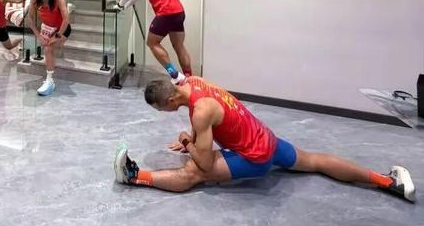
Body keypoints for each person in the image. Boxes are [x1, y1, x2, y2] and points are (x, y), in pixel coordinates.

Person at [113, 76, 416, 203]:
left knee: (194, 172)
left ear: (169, 102)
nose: (164, 113)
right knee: (315, 160)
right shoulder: (194, 83)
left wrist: (189, 143)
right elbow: (206, 120)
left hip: (254, 158)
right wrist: (193, 138)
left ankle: (135, 176)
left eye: (160, 110)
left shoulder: (201, 113)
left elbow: (204, 161)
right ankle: (388, 181)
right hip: (266, 138)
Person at [115, 0, 191, 84]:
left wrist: (120, 4)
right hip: (178, 12)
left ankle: (174, 75)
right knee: (179, 46)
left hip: (166, 12)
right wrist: (124, 6)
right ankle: (189, 78)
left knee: (152, 42)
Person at [26, 0, 71, 96]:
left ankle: (50, 81)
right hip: (47, 28)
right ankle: (50, 74)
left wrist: (57, 36)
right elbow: (29, 19)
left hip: (61, 29)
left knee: (48, 49)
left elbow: (66, 20)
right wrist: (38, 35)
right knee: (47, 48)